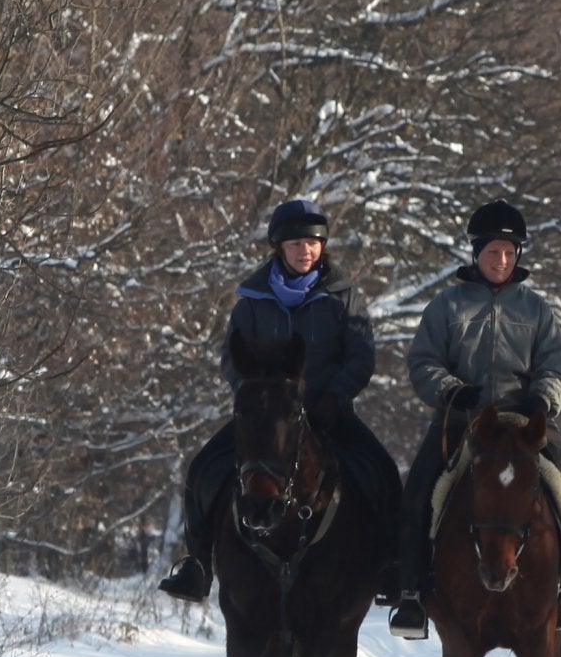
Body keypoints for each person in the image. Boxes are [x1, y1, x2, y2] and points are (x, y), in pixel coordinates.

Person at [159, 199, 401, 602]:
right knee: (202, 468)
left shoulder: (343, 297)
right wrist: (252, 399)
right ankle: (197, 565)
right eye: (295, 244)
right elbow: (231, 359)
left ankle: (392, 567)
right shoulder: (252, 301)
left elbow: (361, 356)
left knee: (383, 472)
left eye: (313, 243)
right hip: (265, 418)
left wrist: (334, 395)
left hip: (328, 411)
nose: (305, 251)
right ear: (279, 248)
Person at [388, 197, 561, 637]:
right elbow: (423, 362)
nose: (501, 260)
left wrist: (542, 399)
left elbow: (555, 366)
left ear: (518, 255)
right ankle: (410, 595)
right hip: (461, 420)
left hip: (524, 424)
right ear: (475, 254)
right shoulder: (446, 306)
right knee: (416, 494)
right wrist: (451, 390)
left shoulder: (537, 309)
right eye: (492, 252)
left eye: (509, 252)